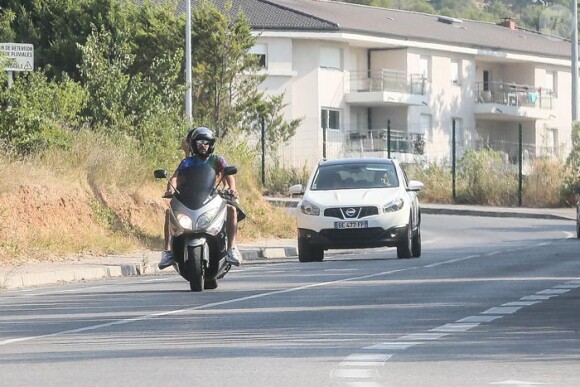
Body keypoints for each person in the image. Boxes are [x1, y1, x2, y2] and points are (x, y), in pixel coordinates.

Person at [158, 126, 242, 269]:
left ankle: (232, 249)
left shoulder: (217, 160)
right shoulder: (187, 162)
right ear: (194, 145)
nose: (202, 146)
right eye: (199, 143)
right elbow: (175, 178)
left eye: (206, 142)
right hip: (191, 197)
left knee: (231, 209)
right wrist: (169, 189)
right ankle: (167, 252)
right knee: (169, 211)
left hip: (212, 195)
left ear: (211, 144)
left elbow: (229, 177)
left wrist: (232, 189)